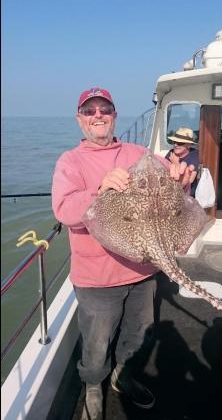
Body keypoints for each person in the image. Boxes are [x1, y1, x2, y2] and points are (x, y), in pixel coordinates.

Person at [51, 88, 196, 420]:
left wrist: (182, 179)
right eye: (90, 111)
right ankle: (92, 385)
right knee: (97, 341)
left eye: (105, 109)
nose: (98, 115)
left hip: (144, 270)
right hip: (97, 278)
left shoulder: (139, 153)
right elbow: (64, 209)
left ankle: (123, 374)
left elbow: (171, 190)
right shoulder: (70, 161)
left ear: (115, 116)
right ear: (80, 119)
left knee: (138, 332)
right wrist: (100, 189)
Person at [166, 127, 199, 196]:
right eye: (174, 142)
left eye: (180, 143)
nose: (175, 145)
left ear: (189, 145)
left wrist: (175, 163)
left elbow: (189, 180)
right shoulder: (171, 152)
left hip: (187, 196)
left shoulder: (194, 155)